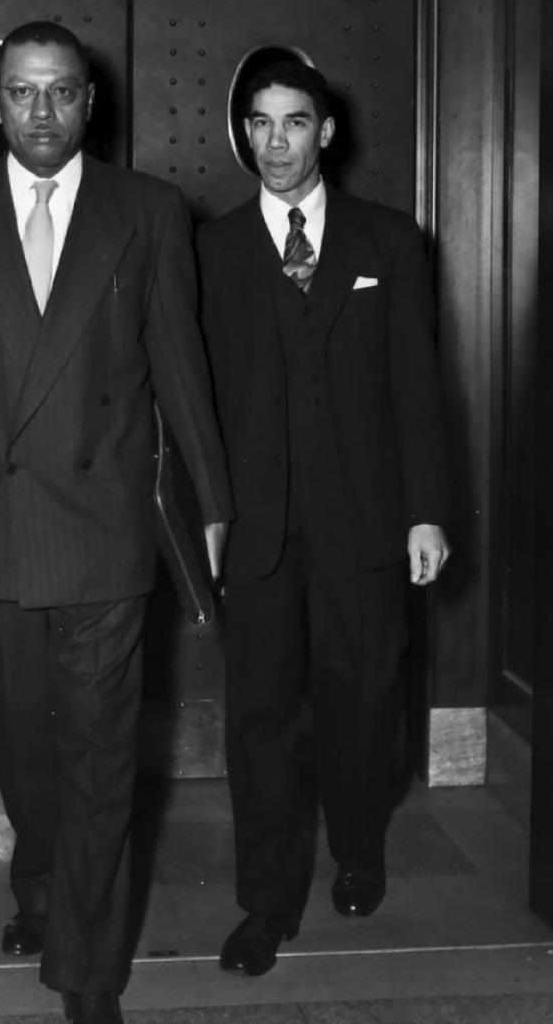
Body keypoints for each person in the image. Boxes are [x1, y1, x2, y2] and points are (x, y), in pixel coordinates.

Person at [0, 21, 231, 1024]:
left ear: (90, 102)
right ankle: (40, 879)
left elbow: (182, 370)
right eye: (23, 92)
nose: (43, 111)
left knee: (100, 756)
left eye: (62, 91)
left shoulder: (147, 210)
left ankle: (87, 970)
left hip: (107, 529)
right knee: (28, 754)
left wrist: (212, 505)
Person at [197, 53, 451, 978]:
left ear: (327, 131)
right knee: (259, 724)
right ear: (245, 133)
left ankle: (358, 847)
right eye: (260, 123)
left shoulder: (389, 241)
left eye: (295, 121)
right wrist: (209, 516)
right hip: (257, 531)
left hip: (367, 526)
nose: (276, 143)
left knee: (362, 707)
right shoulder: (213, 250)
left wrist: (426, 513)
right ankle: (265, 905)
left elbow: (418, 387)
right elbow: (197, 398)